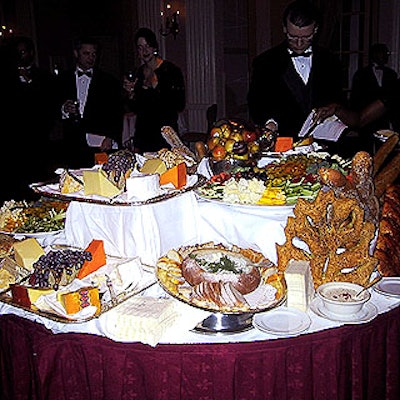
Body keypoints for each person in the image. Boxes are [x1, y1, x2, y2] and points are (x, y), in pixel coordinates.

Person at [247, 0, 346, 140]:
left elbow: (339, 100)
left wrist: (332, 111)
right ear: (284, 29)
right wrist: (270, 122)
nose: (299, 43)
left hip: (324, 144)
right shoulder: (264, 62)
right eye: (293, 37)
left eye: (306, 37)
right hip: (283, 145)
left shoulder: (331, 61)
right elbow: (256, 104)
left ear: (316, 29)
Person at [0, 36, 58, 202]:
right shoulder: (6, 78)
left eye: (24, 52)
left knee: (37, 188)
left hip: (38, 142)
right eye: (18, 52)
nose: (21, 55)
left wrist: (30, 81)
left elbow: (48, 106)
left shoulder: (43, 77)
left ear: (32, 53)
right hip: (13, 145)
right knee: (15, 190)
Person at [56, 36, 124, 168]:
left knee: (99, 181)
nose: (91, 58)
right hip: (71, 143)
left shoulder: (108, 81)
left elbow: (116, 112)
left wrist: (110, 137)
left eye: (93, 54)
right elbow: (52, 107)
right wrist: (64, 109)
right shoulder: (63, 79)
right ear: (76, 53)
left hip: (99, 144)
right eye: (86, 53)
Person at [123, 27, 185, 154]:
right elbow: (135, 108)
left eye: (147, 46)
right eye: (140, 47)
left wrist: (156, 87)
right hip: (144, 135)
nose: (145, 51)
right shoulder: (138, 73)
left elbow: (179, 104)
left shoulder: (171, 70)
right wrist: (130, 94)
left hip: (165, 134)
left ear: (154, 47)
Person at [349, 43, 398, 151]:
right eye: (383, 53)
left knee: (385, 149)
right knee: (366, 149)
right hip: (367, 118)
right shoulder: (361, 74)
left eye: (387, 53)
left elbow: (394, 99)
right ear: (374, 54)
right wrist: (355, 122)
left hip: (384, 119)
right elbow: (355, 97)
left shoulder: (392, 74)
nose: (385, 56)